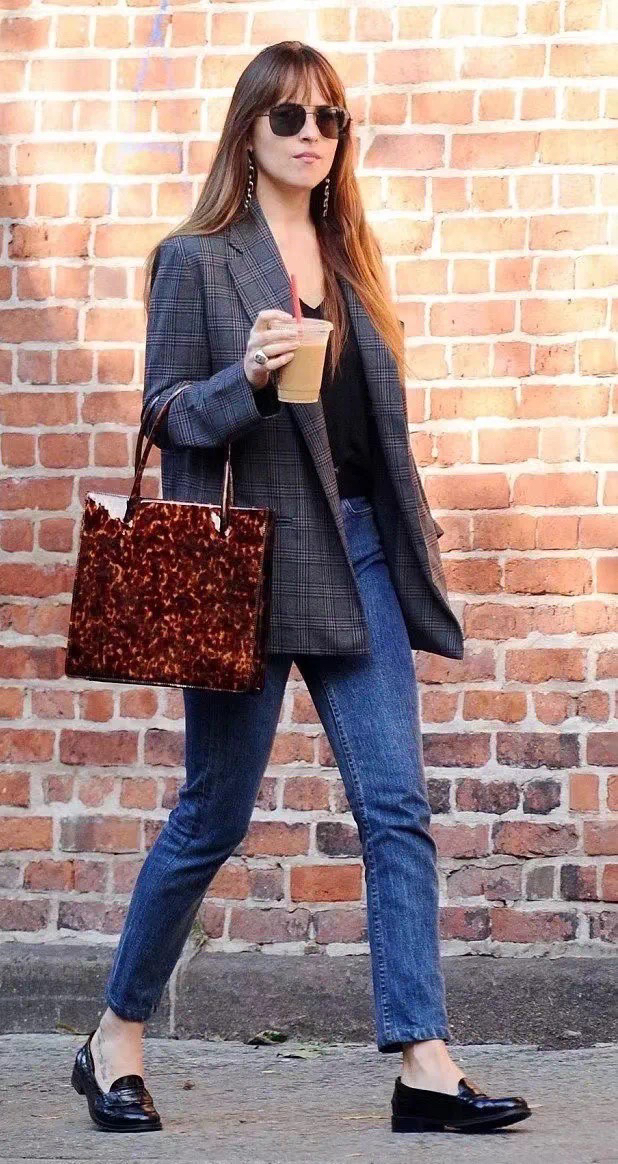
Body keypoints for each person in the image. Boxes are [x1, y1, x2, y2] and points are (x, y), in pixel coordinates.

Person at [71, 41, 532, 1136]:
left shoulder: (349, 254)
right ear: (249, 133)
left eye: (329, 117)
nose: (312, 134)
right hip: (247, 565)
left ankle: (423, 1062)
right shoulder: (195, 260)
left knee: (395, 806)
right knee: (212, 814)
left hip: (356, 550)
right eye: (289, 117)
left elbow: (375, 433)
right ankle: (114, 1037)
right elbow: (166, 413)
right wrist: (249, 378)